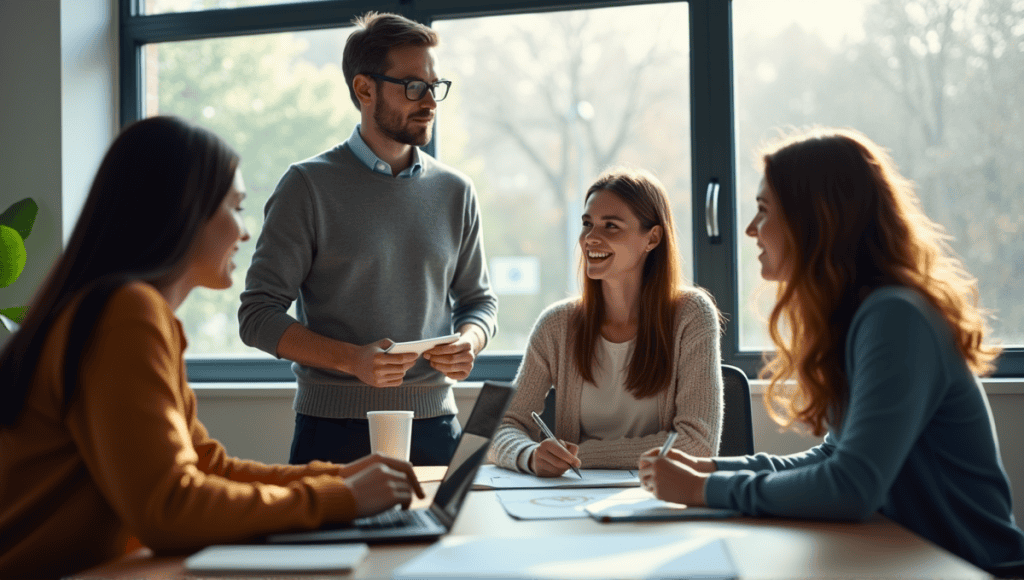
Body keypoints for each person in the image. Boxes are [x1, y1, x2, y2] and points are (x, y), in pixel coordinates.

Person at [0, 116, 424, 580]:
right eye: (236, 207)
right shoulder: (126, 313)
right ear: (185, 210)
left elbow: (207, 467)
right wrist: (343, 498)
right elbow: (171, 507)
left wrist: (342, 478)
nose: (244, 232)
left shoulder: (122, 308)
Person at [638, 127, 1024, 576]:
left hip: (970, 569)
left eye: (763, 210)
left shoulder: (896, 318)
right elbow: (833, 456)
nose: (749, 229)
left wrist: (704, 490)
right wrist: (710, 470)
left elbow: (851, 486)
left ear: (814, 220)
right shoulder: (860, 316)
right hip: (908, 561)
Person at [238, 12, 498, 467]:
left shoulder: (457, 191)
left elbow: (480, 302)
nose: (431, 101)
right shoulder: (307, 186)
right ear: (364, 89)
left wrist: (470, 341)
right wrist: (352, 360)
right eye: (414, 86)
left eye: (435, 86)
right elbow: (257, 315)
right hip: (333, 434)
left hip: (436, 428)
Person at [489, 167, 724, 475]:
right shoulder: (557, 325)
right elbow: (501, 427)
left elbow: (696, 443)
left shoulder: (691, 315)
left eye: (610, 226)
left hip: (658, 497)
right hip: (572, 499)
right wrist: (530, 454)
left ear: (652, 238)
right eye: (587, 224)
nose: (590, 239)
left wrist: (581, 455)